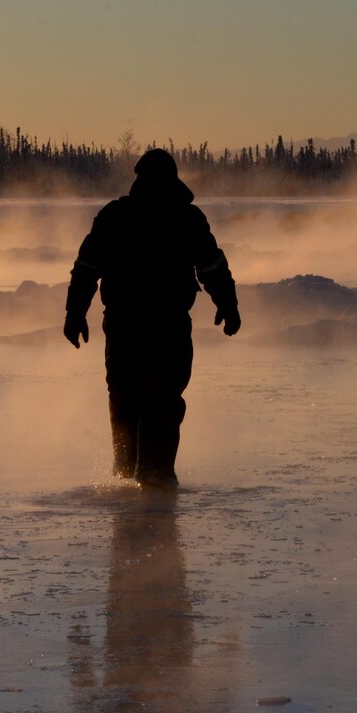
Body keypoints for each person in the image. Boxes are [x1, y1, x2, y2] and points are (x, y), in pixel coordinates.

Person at [64, 149, 240, 487]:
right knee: (144, 400)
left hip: (144, 325)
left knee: (143, 399)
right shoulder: (150, 217)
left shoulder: (171, 218)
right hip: (144, 325)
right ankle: (141, 476)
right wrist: (74, 313)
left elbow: (210, 265)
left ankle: (143, 476)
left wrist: (228, 304)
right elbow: (88, 266)